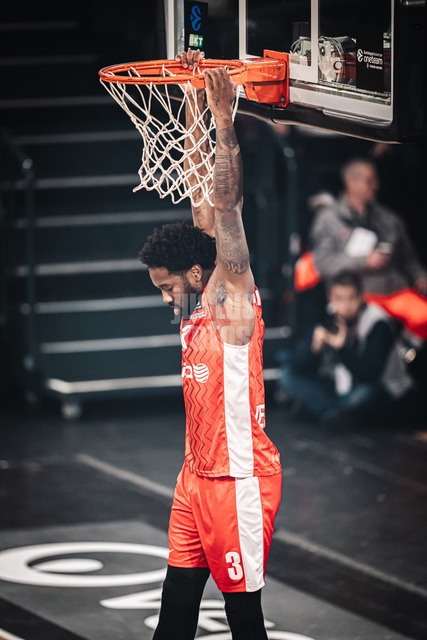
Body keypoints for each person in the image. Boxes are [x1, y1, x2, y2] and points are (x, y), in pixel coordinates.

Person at [139, 50, 282, 640]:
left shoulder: (230, 304)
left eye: (166, 286)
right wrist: (193, 103)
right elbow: (202, 190)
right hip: (195, 477)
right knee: (175, 610)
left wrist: (224, 120)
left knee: (243, 621)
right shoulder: (196, 299)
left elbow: (226, 206)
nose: (163, 297)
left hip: (237, 481)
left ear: (197, 274)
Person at [308, 158, 427, 343]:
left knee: (423, 316)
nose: (376, 186)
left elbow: (408, 258)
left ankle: (405, 356)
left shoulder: (389, 219)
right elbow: (323, 264)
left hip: (395, 290)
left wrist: (420, 276)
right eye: (369, 181)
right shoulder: (329, 220)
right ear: (351, 182)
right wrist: (363, 261)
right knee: (371, 331)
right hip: (356, 297)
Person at [276, 271, 415, 425]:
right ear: (331, 298)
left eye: (351, 298)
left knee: (366, 393)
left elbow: (371, 374)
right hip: (336, 386)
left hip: (373, 386)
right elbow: (296, 365)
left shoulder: (377, 323)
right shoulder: (328, 319)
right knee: (287, 375)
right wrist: (313, 350)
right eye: (340, 299)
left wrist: (342, 349)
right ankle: (333, 412)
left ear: (361, 297)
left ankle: (327, 410)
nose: (346, 305)